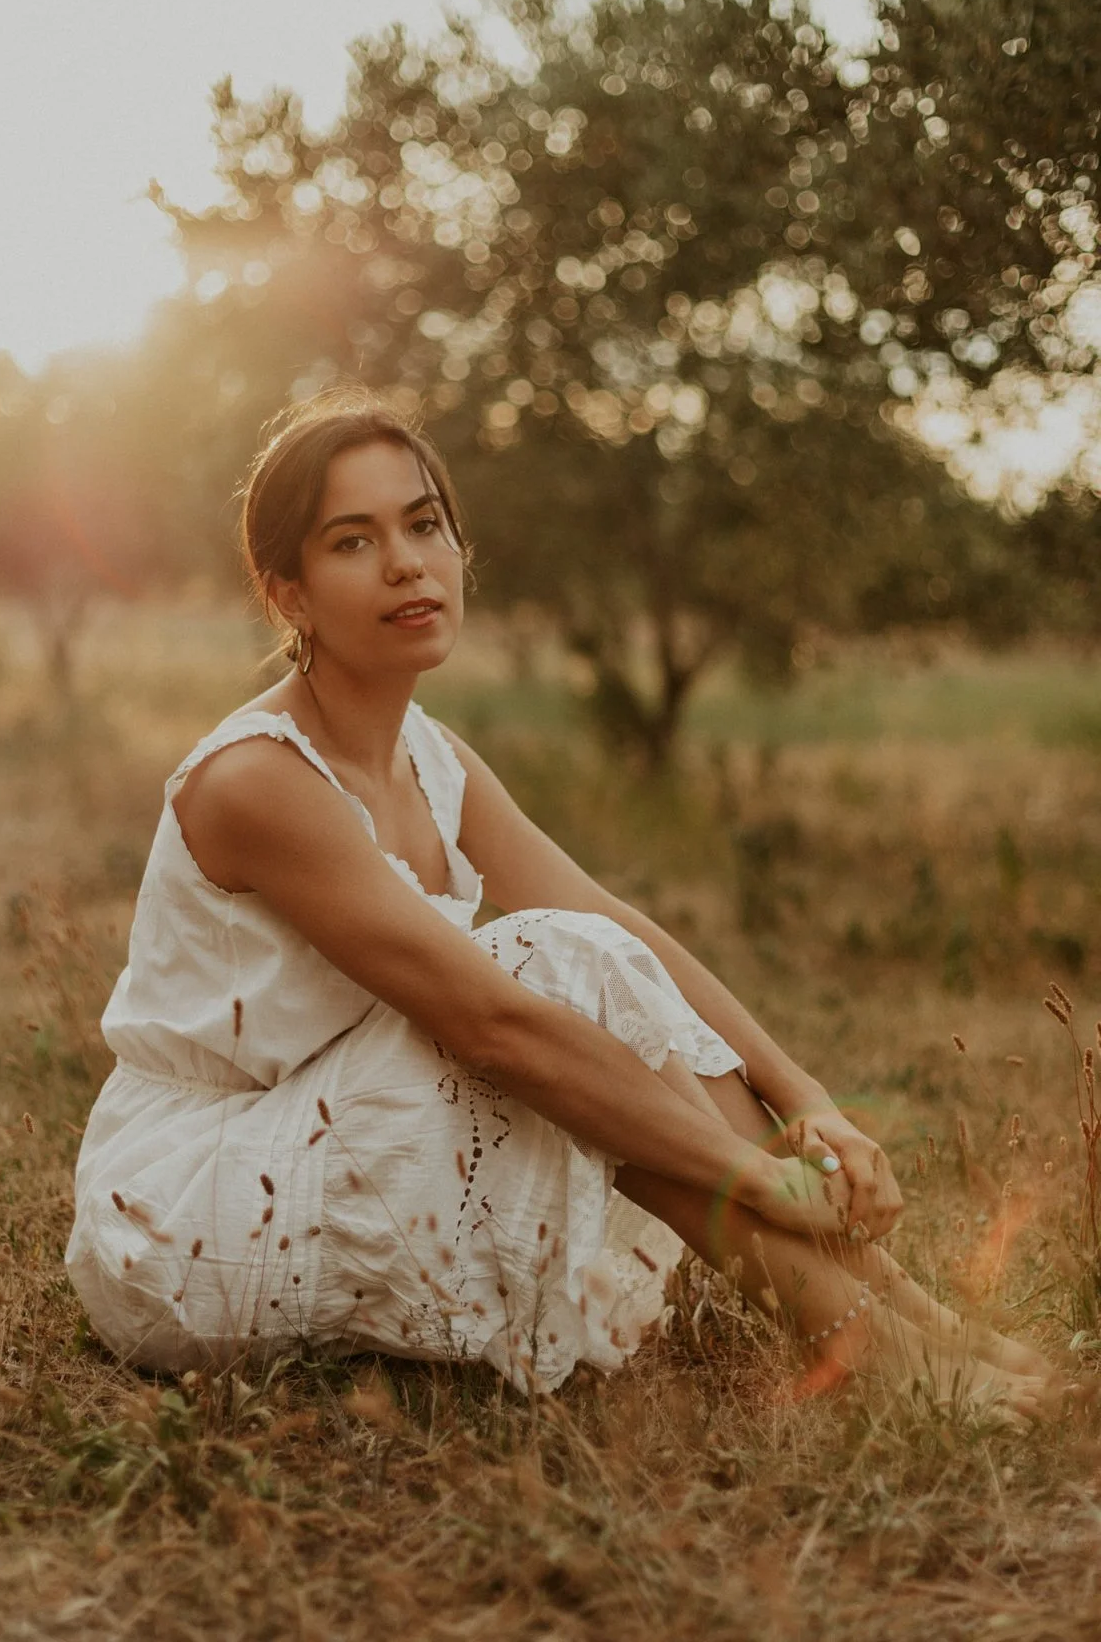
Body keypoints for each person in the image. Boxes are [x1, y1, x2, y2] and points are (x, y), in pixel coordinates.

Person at [65, 387, 1056, 1418]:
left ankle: (898, 1308)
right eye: (353, 542)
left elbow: (620, 931)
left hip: (325, 1134)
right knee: (543, 973)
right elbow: (493, 1024)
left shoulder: (433, 759)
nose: (406, 562)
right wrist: (744, 1174)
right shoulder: (258, 781)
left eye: (424, 524)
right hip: (185, 1217)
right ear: (291, 596)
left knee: (587, 954)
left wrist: (810, 1103)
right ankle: (857, 1336)